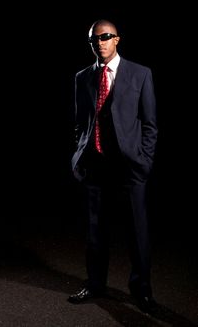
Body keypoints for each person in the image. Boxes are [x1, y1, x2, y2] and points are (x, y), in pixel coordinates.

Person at [68, 19, 158, 313]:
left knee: (137, 232)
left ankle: (142, 291)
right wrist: (81, 152)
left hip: (130, 167)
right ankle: (95, 284)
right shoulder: (83, 77)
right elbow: (81, 122)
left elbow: (150, 124)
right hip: (96, 165)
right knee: (96, 231)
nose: (100, 42)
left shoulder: (140, 74)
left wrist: (143, 159)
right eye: (95, 39)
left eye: (106, 37)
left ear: (117, 39)